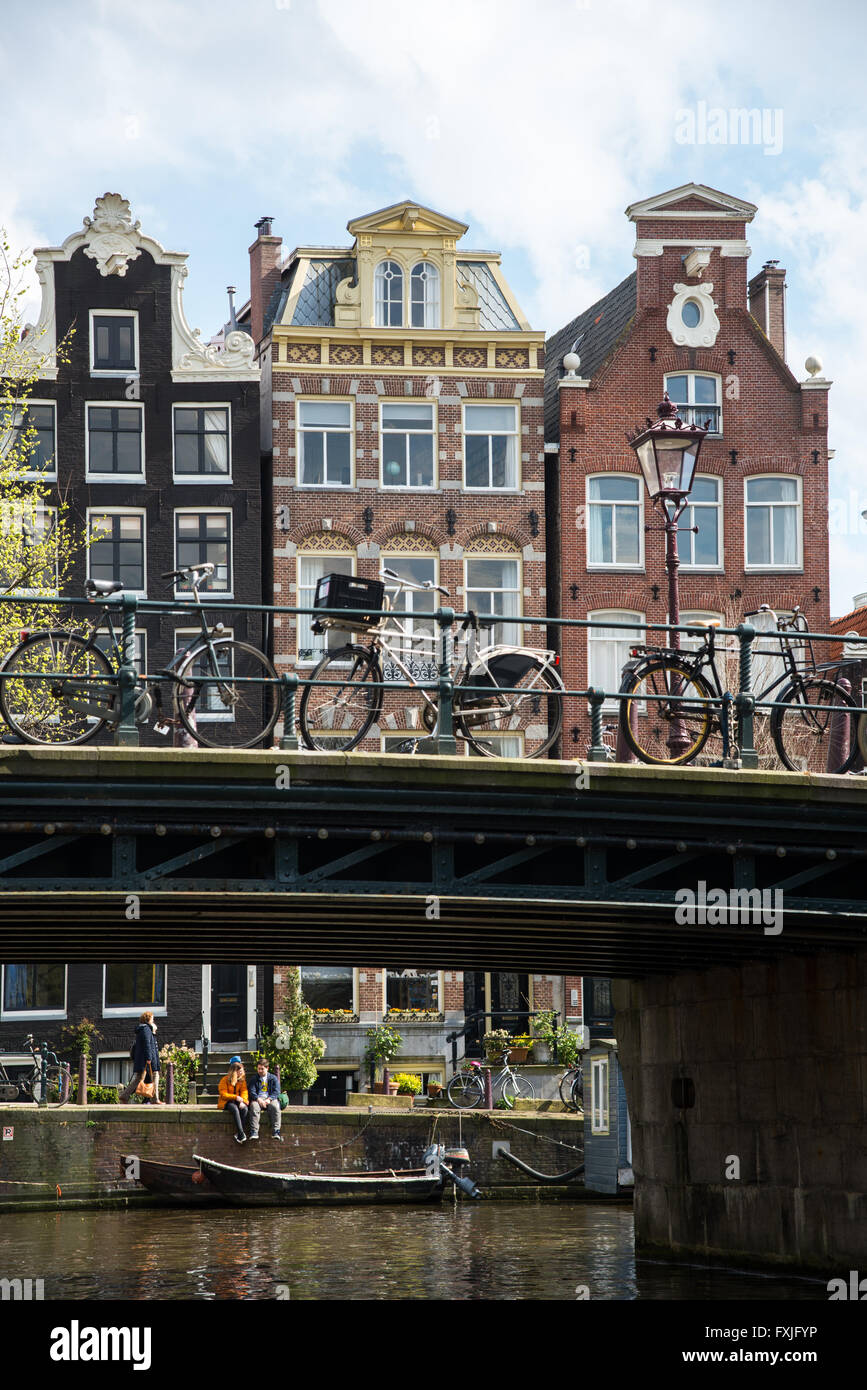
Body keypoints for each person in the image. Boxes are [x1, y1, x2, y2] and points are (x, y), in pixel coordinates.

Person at [119, 1010, 163, 1104]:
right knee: (155, 1076)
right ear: (148, 1019)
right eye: (152, 1019)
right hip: (148, 1059)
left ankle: (124, 1095)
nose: (153, 1021)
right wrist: (149, 1058)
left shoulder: (143, 1029)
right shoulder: (146, 1029)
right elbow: (148, 1044)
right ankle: (155, 1099)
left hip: (143, 1059)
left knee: (139, 1078)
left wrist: (153, 1033)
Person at [247, 1059, 283, 1141]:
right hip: (258, 1099)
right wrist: (258, 1099)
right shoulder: (254, 1078)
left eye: (262, 1069)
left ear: (267, 1068)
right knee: (254, 1107)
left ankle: (276, 1131)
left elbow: (277, 1091)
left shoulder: (273, 1078)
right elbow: (251, 1091)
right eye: (258, 1068)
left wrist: (269, 1099)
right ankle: (254, 1132)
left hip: (270, 1098)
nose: (260, 1071)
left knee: (276, 1106)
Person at [219, 1057, 249, 1143]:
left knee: (245, 1109)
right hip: (227, 1102)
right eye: (239, 1072)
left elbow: (244, 1092)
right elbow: (223, 1095)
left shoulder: (242, 1081)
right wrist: (235, 1097)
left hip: (238, 1101)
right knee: (235, 1109)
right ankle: (241, 1133)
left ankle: (240, 1134)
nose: (241, 1074)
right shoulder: (224, 1080)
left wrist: (243, 1101)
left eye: (242, 1072)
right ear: (234, 1072)